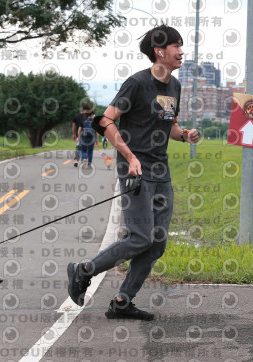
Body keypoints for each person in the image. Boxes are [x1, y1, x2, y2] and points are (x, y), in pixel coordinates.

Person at [67, 24, 199, 320]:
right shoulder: (137, 83)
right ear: (159, 51)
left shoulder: (174, 86)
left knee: (157, 241)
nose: (181, 51)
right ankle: (83, 270)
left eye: (181, 45)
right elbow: (105, 121)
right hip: (134, 171)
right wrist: (129, 156)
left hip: (161, 172)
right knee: (140, 237)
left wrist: (185, 134)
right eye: (176, 46)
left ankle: (122, 301)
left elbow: (171, 126)